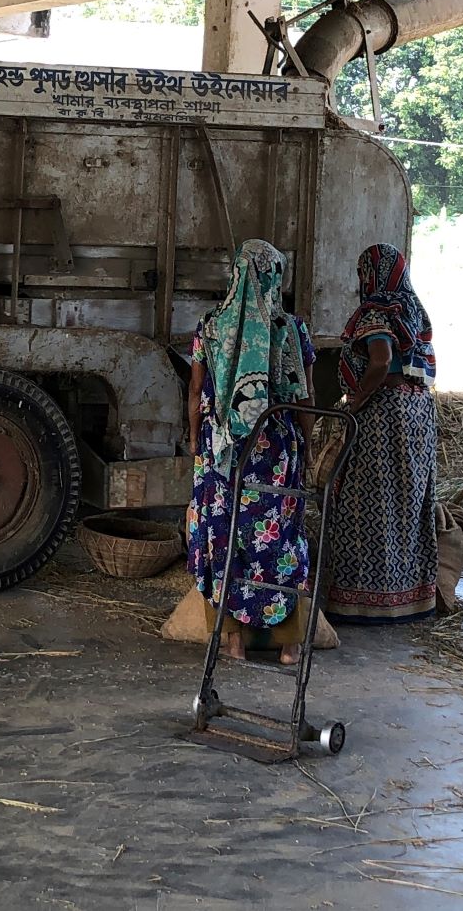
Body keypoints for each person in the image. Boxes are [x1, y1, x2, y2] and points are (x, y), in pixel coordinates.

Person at [184, 239, 317, 663]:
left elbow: (195, 392)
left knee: (222, 540)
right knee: (282, 539)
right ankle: (290, 645)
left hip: (221, 453)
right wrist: (308, 447)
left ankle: (233, 642)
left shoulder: (209, 327)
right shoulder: (291, 330)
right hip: (274, 452)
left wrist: (195, 440)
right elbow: (304, 398)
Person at [322, 243, 441, 624]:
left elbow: (382, 359)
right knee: (408, 503)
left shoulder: (377, 311)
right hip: (418, 415)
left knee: (366, 502)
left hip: (384, 417)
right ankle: (410, 599)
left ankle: (363, 602)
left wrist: (357, 399)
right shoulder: (414, 310)